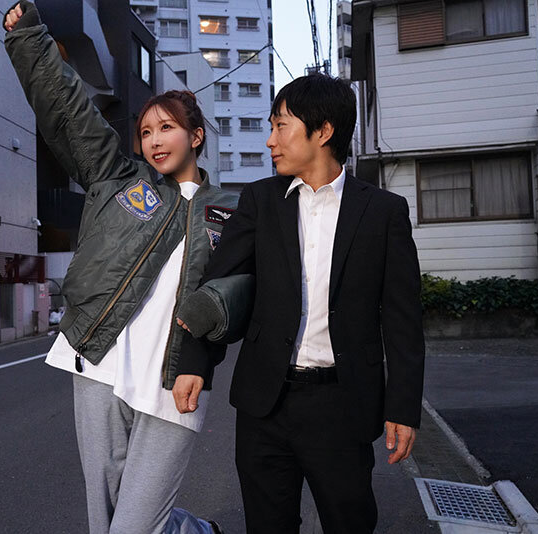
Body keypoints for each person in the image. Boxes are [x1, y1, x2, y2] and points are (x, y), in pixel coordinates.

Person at [2, 2, 238, 533]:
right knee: (104, 515)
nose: (153, 140)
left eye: (167, 128)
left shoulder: (230, 212)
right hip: (101, 361)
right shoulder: (119, 182)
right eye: (146, 131)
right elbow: (70, 113)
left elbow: (238, 288)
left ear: (196, 136)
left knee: (134, 526)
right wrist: (31, 39)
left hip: (174, 380)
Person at [175, 74, 426, 533]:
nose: (270, 140)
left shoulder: (383, 212)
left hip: (342, 405)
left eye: (281, 126)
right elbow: (218, 284)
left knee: (349, 522)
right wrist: (195, 362)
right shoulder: (259, 201)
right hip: (264, 403)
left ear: (323, 131)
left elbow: (403, 320)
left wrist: (403, 407)